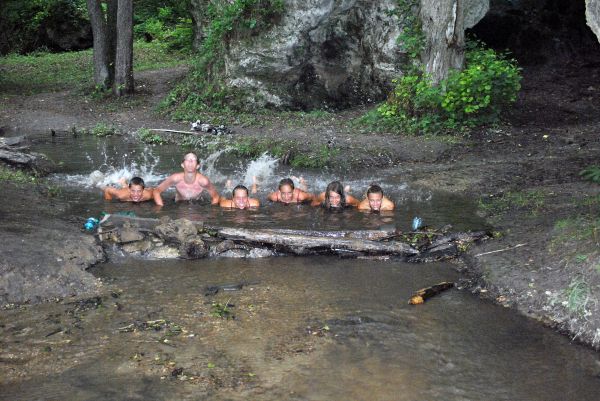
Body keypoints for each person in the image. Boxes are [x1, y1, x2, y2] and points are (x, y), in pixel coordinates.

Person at [153, 152, 220, 206]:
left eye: (194, 159)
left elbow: (216, 197)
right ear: (182, 165)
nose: (190, 161)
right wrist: (160, 209)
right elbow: (156, 191)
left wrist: (212, 213)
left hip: (197, 205)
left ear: (197, 166)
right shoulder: (175, 178)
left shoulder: (203, 181)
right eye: (187, 159)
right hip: (178, 204)